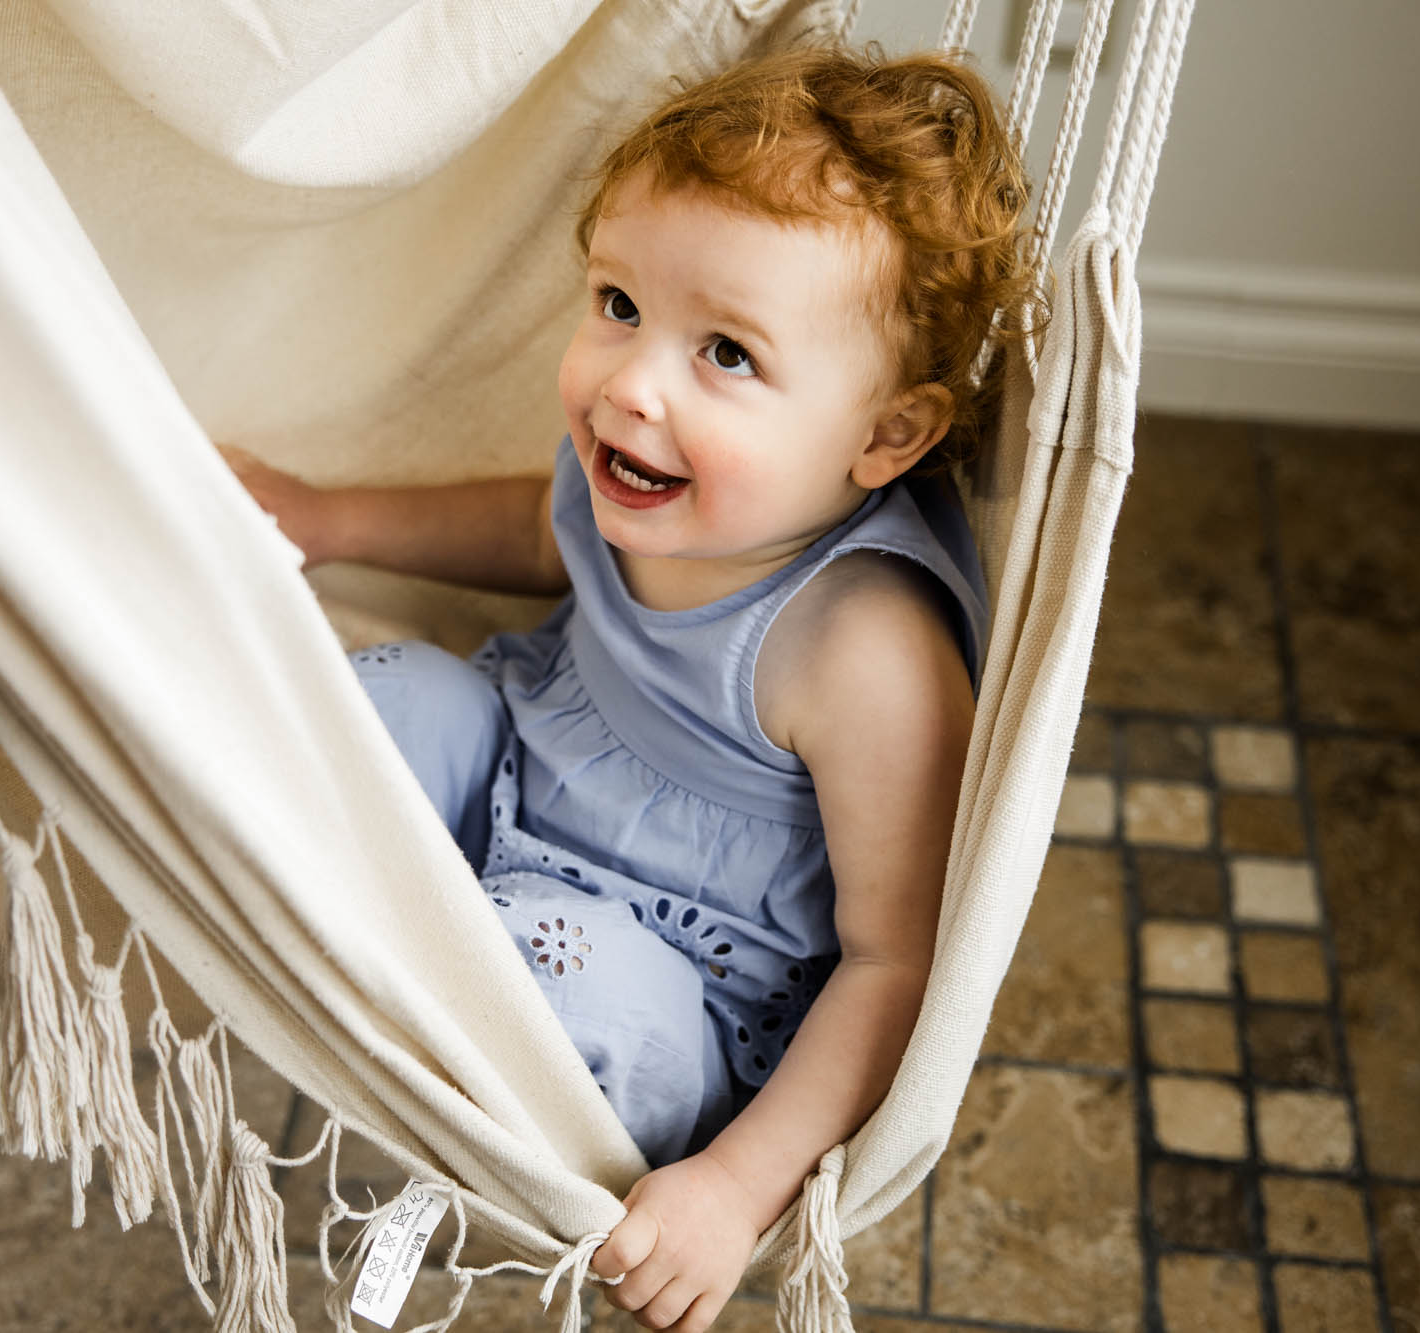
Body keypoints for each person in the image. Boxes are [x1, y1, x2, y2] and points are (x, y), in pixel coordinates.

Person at [225, 42, 1033, 1333]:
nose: (633, 383)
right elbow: (544, 533)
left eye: (726, 351)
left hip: (674, 989)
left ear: (887, 435)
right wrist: (329, 516)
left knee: (576, 971)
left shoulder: (860, 648)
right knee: (390, 697)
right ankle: (292, 917)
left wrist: (735, 1183)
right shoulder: (643, 474)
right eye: (617, 303)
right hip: (514, 789)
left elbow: (898, 959)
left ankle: (423, 989)